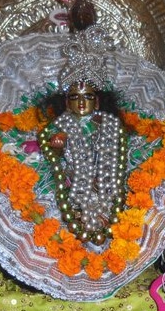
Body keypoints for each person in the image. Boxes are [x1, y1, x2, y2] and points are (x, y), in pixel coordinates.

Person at [37, 25, 127, 247]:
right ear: (66, 103)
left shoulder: (111, 125)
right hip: (70, 191)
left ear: (97, 101)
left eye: (88, 96)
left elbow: (120, 157)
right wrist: (57, 146)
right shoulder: (59, 126)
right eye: (75, 97)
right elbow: (53, 154)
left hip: (107, 189)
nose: (81, 102)